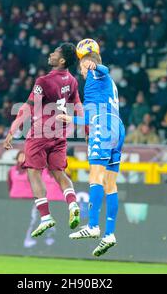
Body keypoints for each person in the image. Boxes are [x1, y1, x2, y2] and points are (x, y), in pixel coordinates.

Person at [3, 43, 82, 239]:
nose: (51, 53)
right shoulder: (72, 81)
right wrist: (86, 128)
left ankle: (46, 217)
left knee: (33, 172)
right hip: (60, 135)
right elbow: (78, 105)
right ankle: (72, 203)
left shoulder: (44, 81)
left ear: (62, 60)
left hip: (40, 133)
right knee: (58, 173)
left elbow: (28, 107)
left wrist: (13, 130)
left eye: (55, 52)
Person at [57, 50, 125, 257]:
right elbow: (88, 117)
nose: (82, 74)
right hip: (116, 128)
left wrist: (94, 66)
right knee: (110, 184)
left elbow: (103, 70)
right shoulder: (109, 86)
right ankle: (109, 234)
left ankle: (93, 225)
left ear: (86, 64)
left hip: (103, 128)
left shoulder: (96, 74)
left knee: (95, 177)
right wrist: (71, 120)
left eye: (82, 69)